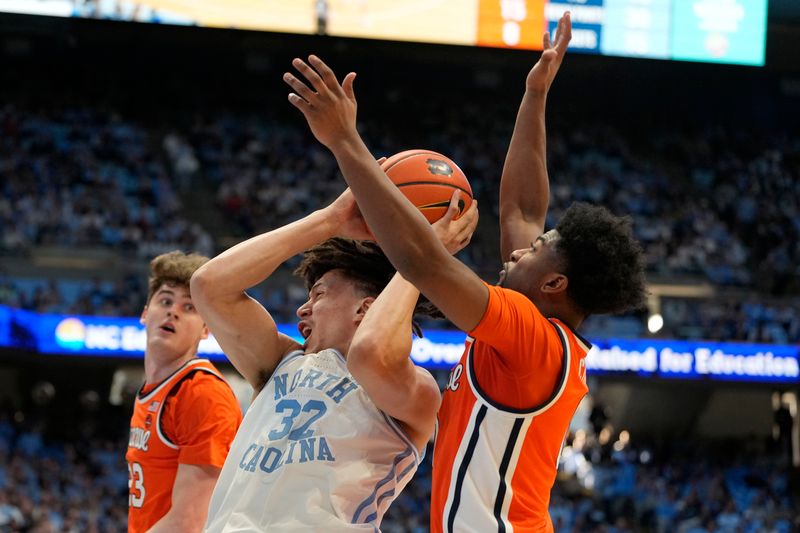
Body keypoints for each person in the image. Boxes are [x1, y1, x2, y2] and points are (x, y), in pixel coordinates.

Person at [283, 11, 647, 532]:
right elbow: (522, 208)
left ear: (554, 284)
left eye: (539, 248)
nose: (520, 248)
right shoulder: (537, 332)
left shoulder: (532, 340)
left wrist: (345, 142)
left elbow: (422, 262)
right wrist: (536, 93)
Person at [191, 188, 477, 531]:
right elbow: (209, 285)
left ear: (365, 309)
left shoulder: (416, 389)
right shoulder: (280, 361)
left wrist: (419, 261)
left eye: (319, 294)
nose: (302, 308)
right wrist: (329, 220)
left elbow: (371, 352)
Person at [127, 251, 242, 533]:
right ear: (145, 313)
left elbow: (188, 523)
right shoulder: (152, 389)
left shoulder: (202, 393)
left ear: (205, 329)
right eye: (165, 300)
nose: (173, 311)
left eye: (189, 307)